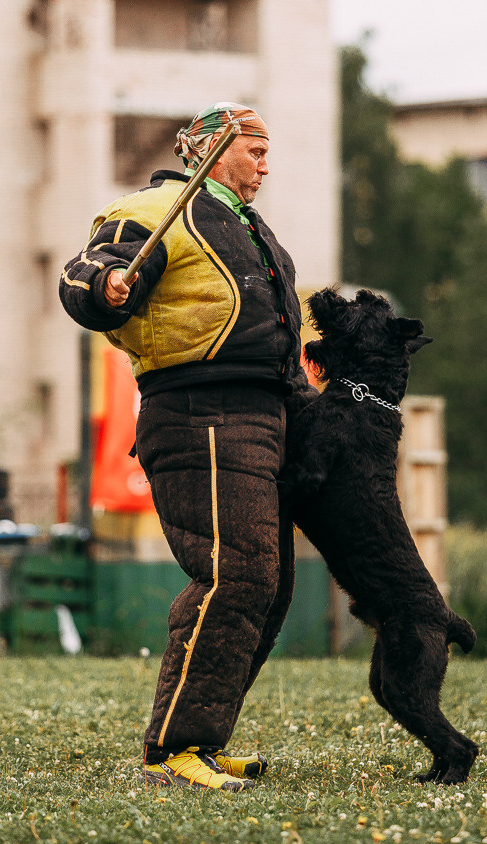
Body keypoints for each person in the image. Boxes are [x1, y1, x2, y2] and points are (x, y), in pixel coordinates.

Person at [58, 102, 316, 791]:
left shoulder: (249, 228)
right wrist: (105, 287)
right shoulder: (155, 208)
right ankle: (174, 750)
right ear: (208, 149)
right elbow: (86, 270)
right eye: (253, 151)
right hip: (199, 412)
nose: (266, 165)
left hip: (262, 416)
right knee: (237, 572)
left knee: (269, 582)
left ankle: (202, 738)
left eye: (268, 153)